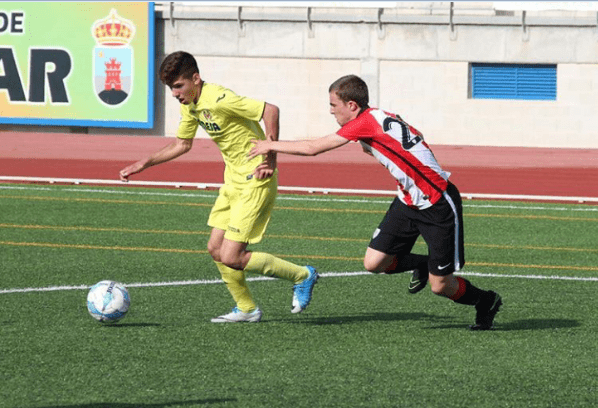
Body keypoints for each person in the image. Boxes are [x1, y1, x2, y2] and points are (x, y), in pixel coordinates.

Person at [248, 74, 502, 330]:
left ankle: (485, 300)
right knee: (374, 263)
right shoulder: (380, 116)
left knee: (441, 286)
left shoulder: (364, 123)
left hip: (437, 204)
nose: (330, 111)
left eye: (333, 105)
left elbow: (314, 147)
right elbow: (415, 135)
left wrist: (269, 146)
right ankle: (421, 264)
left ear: (352, 106)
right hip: (408, 201)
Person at [119, 51, 318, 323]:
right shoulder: (190, 105)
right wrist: (145, 163)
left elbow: (270, 110)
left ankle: (302, 275)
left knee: (232, 255)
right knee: (215, 249)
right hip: (232, 182)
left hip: (255, 180)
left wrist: (270, 156)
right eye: (171, 88)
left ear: (196, 79)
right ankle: (247, 309)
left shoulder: (219, 98)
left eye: (178, 86)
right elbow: (182, 144)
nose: (175, 93)